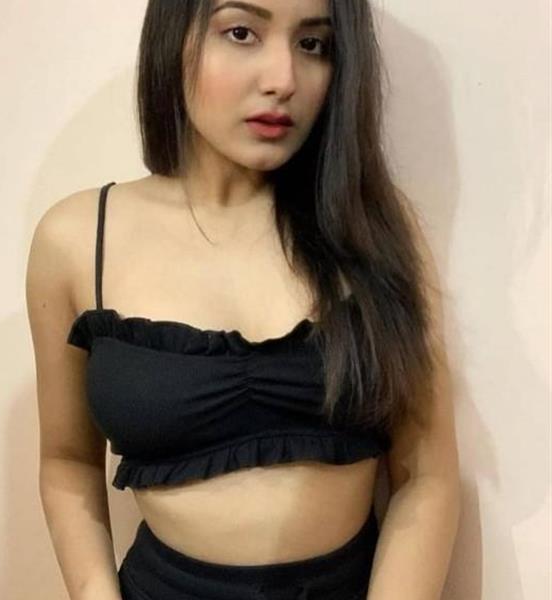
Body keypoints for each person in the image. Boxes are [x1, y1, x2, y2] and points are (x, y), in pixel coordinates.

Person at [25, 1, 461, 599]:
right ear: (174, 36)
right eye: (241, 32)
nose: (283, 79)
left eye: (313, 44)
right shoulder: (78, 239)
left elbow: (426, 475)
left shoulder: (374, 230)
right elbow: (68, 461)